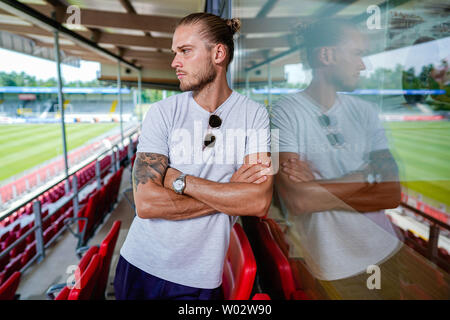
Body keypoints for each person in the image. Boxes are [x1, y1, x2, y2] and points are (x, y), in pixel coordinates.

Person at [114, 12, 273, 300]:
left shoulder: (255, 115)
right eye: (175, 53)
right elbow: (147, 203)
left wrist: (178, 179)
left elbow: (257, 201)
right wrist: (229, 195)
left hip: (201, 278)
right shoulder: (162, 112)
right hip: (140, 264)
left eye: (185, 51)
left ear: (219, 53)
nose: (175, 62)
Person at [271, 19, 405, 299]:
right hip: (336, 269)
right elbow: (298, 201)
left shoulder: (365, 112)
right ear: (327, 55)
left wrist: (318, 187)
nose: (363, 65)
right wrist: (365, 177)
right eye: (357, 53)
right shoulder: (283, 112)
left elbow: (392, 193)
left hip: (387, 252)